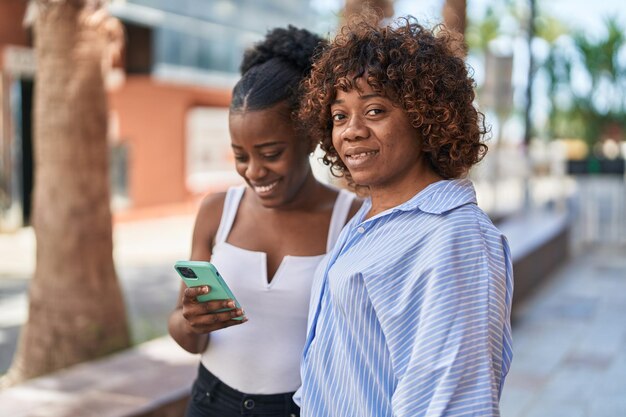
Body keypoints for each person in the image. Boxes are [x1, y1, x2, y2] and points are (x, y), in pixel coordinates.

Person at [295, 14, 514, 417]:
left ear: (424, 115)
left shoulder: (452, 235)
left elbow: (453, 404)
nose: (351, 131)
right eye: (340, 115)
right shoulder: (369, 219)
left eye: (375, 110)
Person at [168, 26, 359, 417]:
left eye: (270, 152)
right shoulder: (217, 212)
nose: (254, 172)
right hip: (209, 401)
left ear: (309, 135)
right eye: (240, 155)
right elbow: (186, 335)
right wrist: (191, 323)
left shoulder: (351, 220)